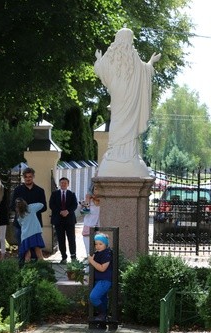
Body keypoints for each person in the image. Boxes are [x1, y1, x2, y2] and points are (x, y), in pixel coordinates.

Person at [94, 27, 161, 165]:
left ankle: (116, 153)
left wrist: (98, 60)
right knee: (127, 121)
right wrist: (151, 62)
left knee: (118, 120)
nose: (131, 43)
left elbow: (101, 70)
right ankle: (127, 154)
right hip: (128, 97)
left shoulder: (111, 55)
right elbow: (145, 70)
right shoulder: (132, 56)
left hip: (118, 94)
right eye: (130, 39)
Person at [10, 167, 47, 259]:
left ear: (33, 177)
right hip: (21, 225)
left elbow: (44, 207)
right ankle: (23, 268)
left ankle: (37, 268)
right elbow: (11, 206)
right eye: (26, 177)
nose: (28, 178)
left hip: (34, 224)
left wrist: (31, 210)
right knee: (23, 248)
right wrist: (22, 210)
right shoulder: (18, 190)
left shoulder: (40, 190)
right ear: (23, 177)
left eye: (30, 176)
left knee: (36, 248)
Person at [49, 176, 79, 263]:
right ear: (59, 184)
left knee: (71, 239)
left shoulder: (71, 194)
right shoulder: (54, 194)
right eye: (62, 183)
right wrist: (60, 211)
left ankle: (73, 256)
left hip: (69, 220)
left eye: (65, 183)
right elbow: (51, 205)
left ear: (68, 184)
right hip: (58, 220)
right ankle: (63, 257)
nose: (63, 184)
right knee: (61, 239)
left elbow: (75, 205)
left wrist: (67, 211)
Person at [88, 233, 113, 321]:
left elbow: (102, 268)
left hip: (105, 281)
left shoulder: (107, 254)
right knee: (102, 299)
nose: (97, 246)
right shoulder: (98, 253)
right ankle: (103, 316)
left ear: (106, 244)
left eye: (100, 244)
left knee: (93, 297)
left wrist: (91, 261)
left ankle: (103, 313)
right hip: (99, 280)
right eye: (96, 244)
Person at [15, 198, 45, 265]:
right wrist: (30, 205)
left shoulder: (19, 216)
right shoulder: (31, 208)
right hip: (35, 233)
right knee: (39, 253)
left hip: (25, 236)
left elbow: (20, 224)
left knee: (27, 255)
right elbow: (41, 205)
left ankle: (26, 271)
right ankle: (43, 268)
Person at [81, 184, 102, 257]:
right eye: (95, 189)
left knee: (99, 251)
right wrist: (86, 202)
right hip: (89, 227)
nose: (97, 191)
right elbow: (84, 212)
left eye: (98, 189)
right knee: (89, 251)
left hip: (100, 228)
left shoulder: (104, 200)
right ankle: (90, 266)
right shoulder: (89, 200)